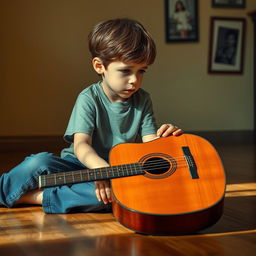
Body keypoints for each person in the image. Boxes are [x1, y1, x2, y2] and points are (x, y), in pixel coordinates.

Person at [0, 18, 182, 214]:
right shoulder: (89, 97)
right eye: (125, 71)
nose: (134, 81)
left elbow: (149, 145)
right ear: (99, 66)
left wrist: (165, 141)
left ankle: (36, 197)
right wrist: (100, 169)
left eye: (141, 71)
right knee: (39, 162)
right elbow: (81, 145)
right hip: (78, 164)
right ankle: (3, 191)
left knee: (115, 196)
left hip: (117, 171)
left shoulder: (143, 99)